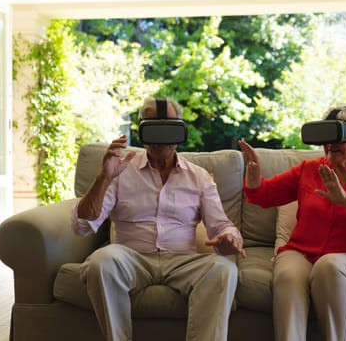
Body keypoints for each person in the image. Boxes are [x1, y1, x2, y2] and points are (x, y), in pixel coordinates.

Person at [71, 96, 246, 341]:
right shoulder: (120, 171)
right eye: (152, 127)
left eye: (168, 127)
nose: (160, 136)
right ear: (142, 131)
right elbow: (83, 225)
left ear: (180, 131)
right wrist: (104, 177)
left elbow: (220, 224)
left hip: (182, 259)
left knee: (223, 269)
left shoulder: (199, 177)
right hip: (131, 255)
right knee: (101, 261)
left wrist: (229, 238)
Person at [238, 103, 346, 341]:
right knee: (287, 274)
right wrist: (254, 179)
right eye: (326, 143)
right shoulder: (309, 170)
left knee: (329, 266)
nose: (329, 148)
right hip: (301, 252)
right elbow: (265, 195)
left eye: (338, 144)